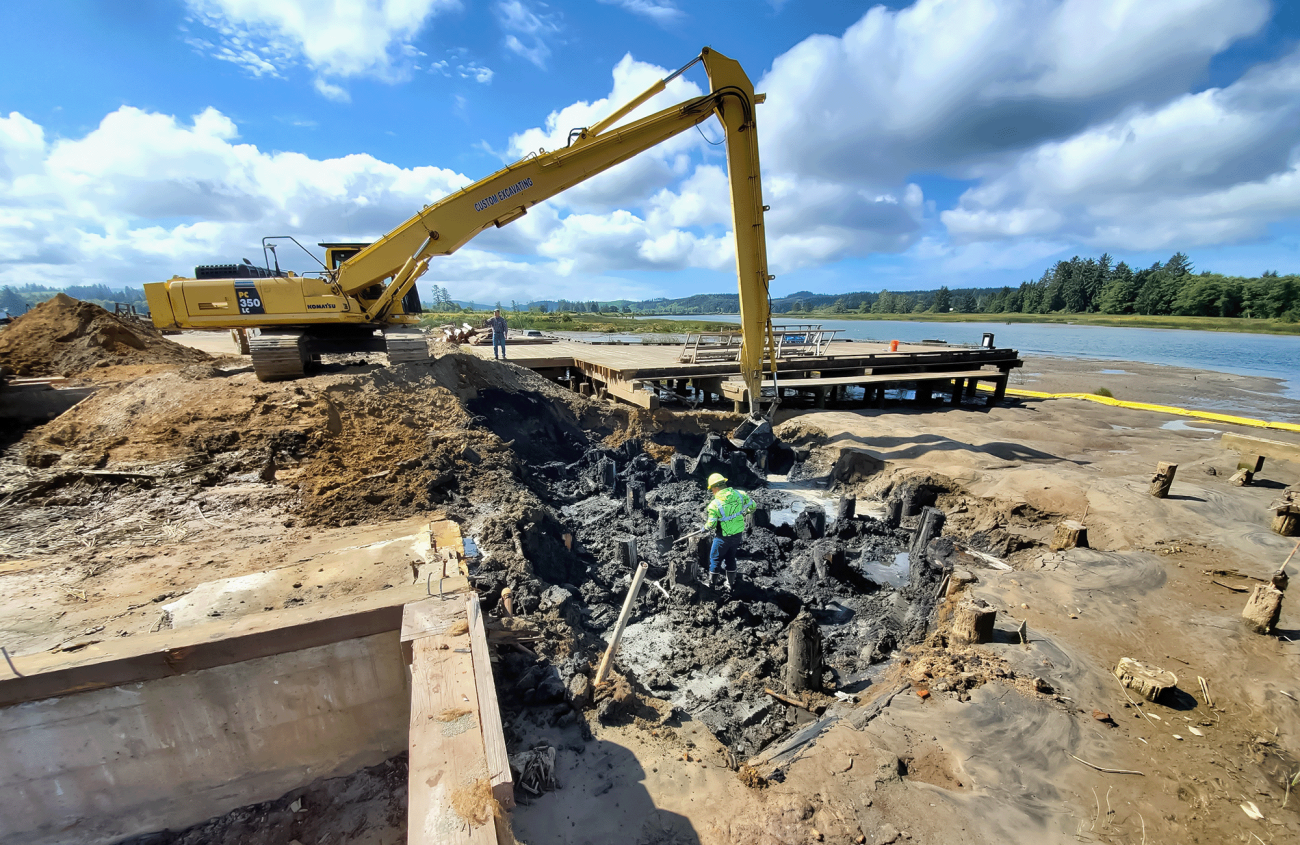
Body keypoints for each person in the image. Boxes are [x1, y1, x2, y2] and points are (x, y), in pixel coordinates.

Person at [701, 472, 756, 590]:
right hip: (737, 535)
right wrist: (743, 513)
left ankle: (711, 585)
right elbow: (753, 506)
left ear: (715, 488)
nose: (712, 492)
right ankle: (730, 584)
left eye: (712, 490)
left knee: (715, 559)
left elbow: (711, 524)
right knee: (731, 557)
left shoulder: (714, 505)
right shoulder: (740, 494)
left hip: (722, 537)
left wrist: (705, 528)